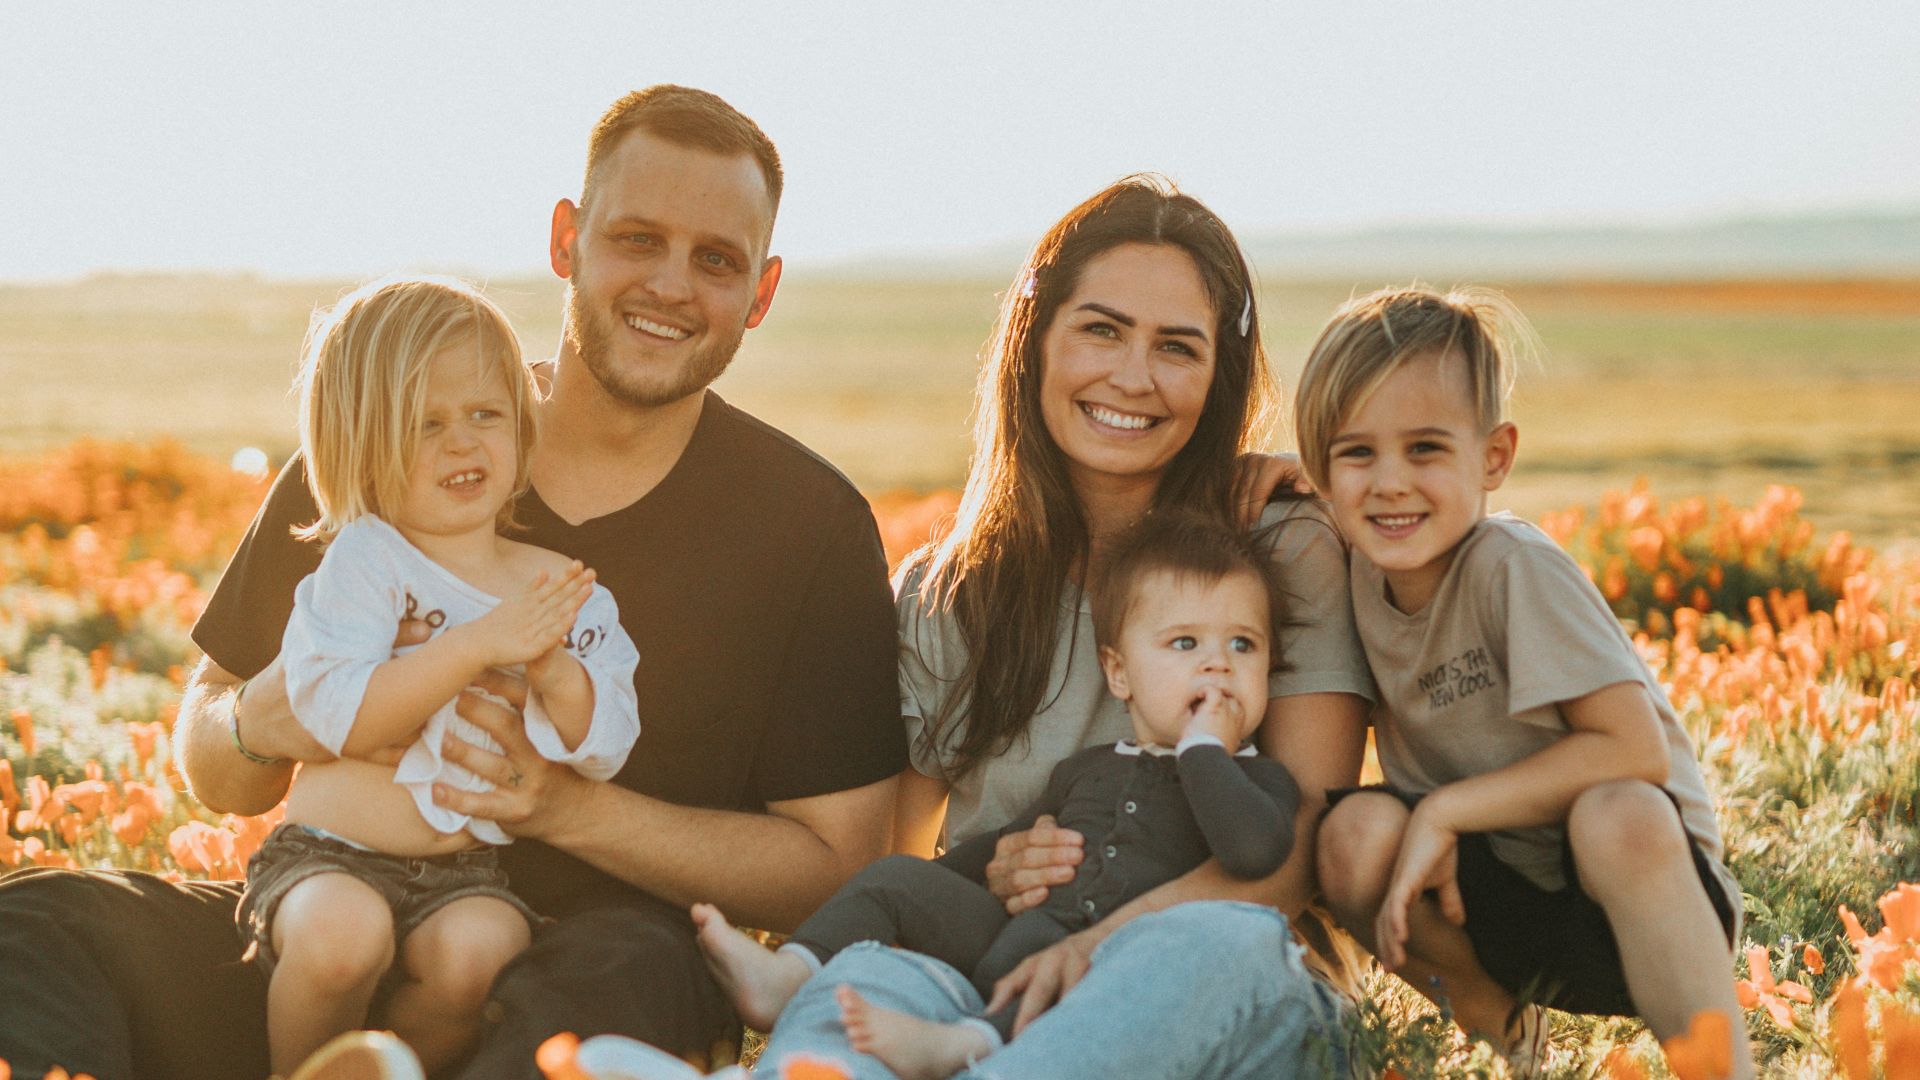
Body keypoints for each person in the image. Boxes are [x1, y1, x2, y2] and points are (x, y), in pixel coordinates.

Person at [0, 85, 906, 1080]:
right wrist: (267, 719)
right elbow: (213, 746)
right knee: (34, 924)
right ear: (567, 239)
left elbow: (839, 866)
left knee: (621, 973)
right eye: (637, 240)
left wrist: (564, 808)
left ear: (762, 293)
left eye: (716, 261)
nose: (672, 286)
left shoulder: (807, 526)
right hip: (331, 925)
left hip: (589, 961)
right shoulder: (395, 438)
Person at [749, 176, 1376, 1080]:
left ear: (1218, 376)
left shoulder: (1277, 548)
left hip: (1218, 991)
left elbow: (1296, 859)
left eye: (1177, 348)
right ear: (1035, 339)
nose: (1132, 377)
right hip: (995, 985)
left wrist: (1095, 945)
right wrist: (995, 867)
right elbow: (899, 860)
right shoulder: (946, 590)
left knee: (1211, 949)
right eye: (1102, 328)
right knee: (869, 981)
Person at [1296, 287, 1751, 1077]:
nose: (1390, 483)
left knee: (1619, 812)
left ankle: (1718, 1066)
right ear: (1322, 471)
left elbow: (1633, 750)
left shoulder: (1513, 568)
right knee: (1350, 837)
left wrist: (1447, 808)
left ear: (1495, 457)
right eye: (1358, 453)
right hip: (1493, 903)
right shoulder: (1356, 576)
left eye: (1427, 449)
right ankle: (1511, 1043)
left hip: (1638, 899)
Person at [695, 513, 1301, 1079]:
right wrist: (956, 882)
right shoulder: (1087, 769)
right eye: (1186, 645)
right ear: (1120, 673)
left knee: (1065, 967)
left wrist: (1204, 751)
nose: (1218, 667)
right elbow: (1001, 845)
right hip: (1015, 937)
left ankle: (965, 1046)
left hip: (1118, 973)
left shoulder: (1260, 782)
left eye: (1243, 645)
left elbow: (1251, 851)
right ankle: (791, 974)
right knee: (898, 879)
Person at [244, 275, 642, 1074]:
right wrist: (474, 646)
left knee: (483, 951)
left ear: (522, 428)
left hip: (464, 870)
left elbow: (605, 744)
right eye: (425, 425)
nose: (462, 444)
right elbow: (339, 717)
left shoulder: (558, 584)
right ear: (360, 443)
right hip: (329, 852)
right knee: (339, 941)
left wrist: (555, 669)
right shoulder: (364, 560)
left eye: (485, 416)